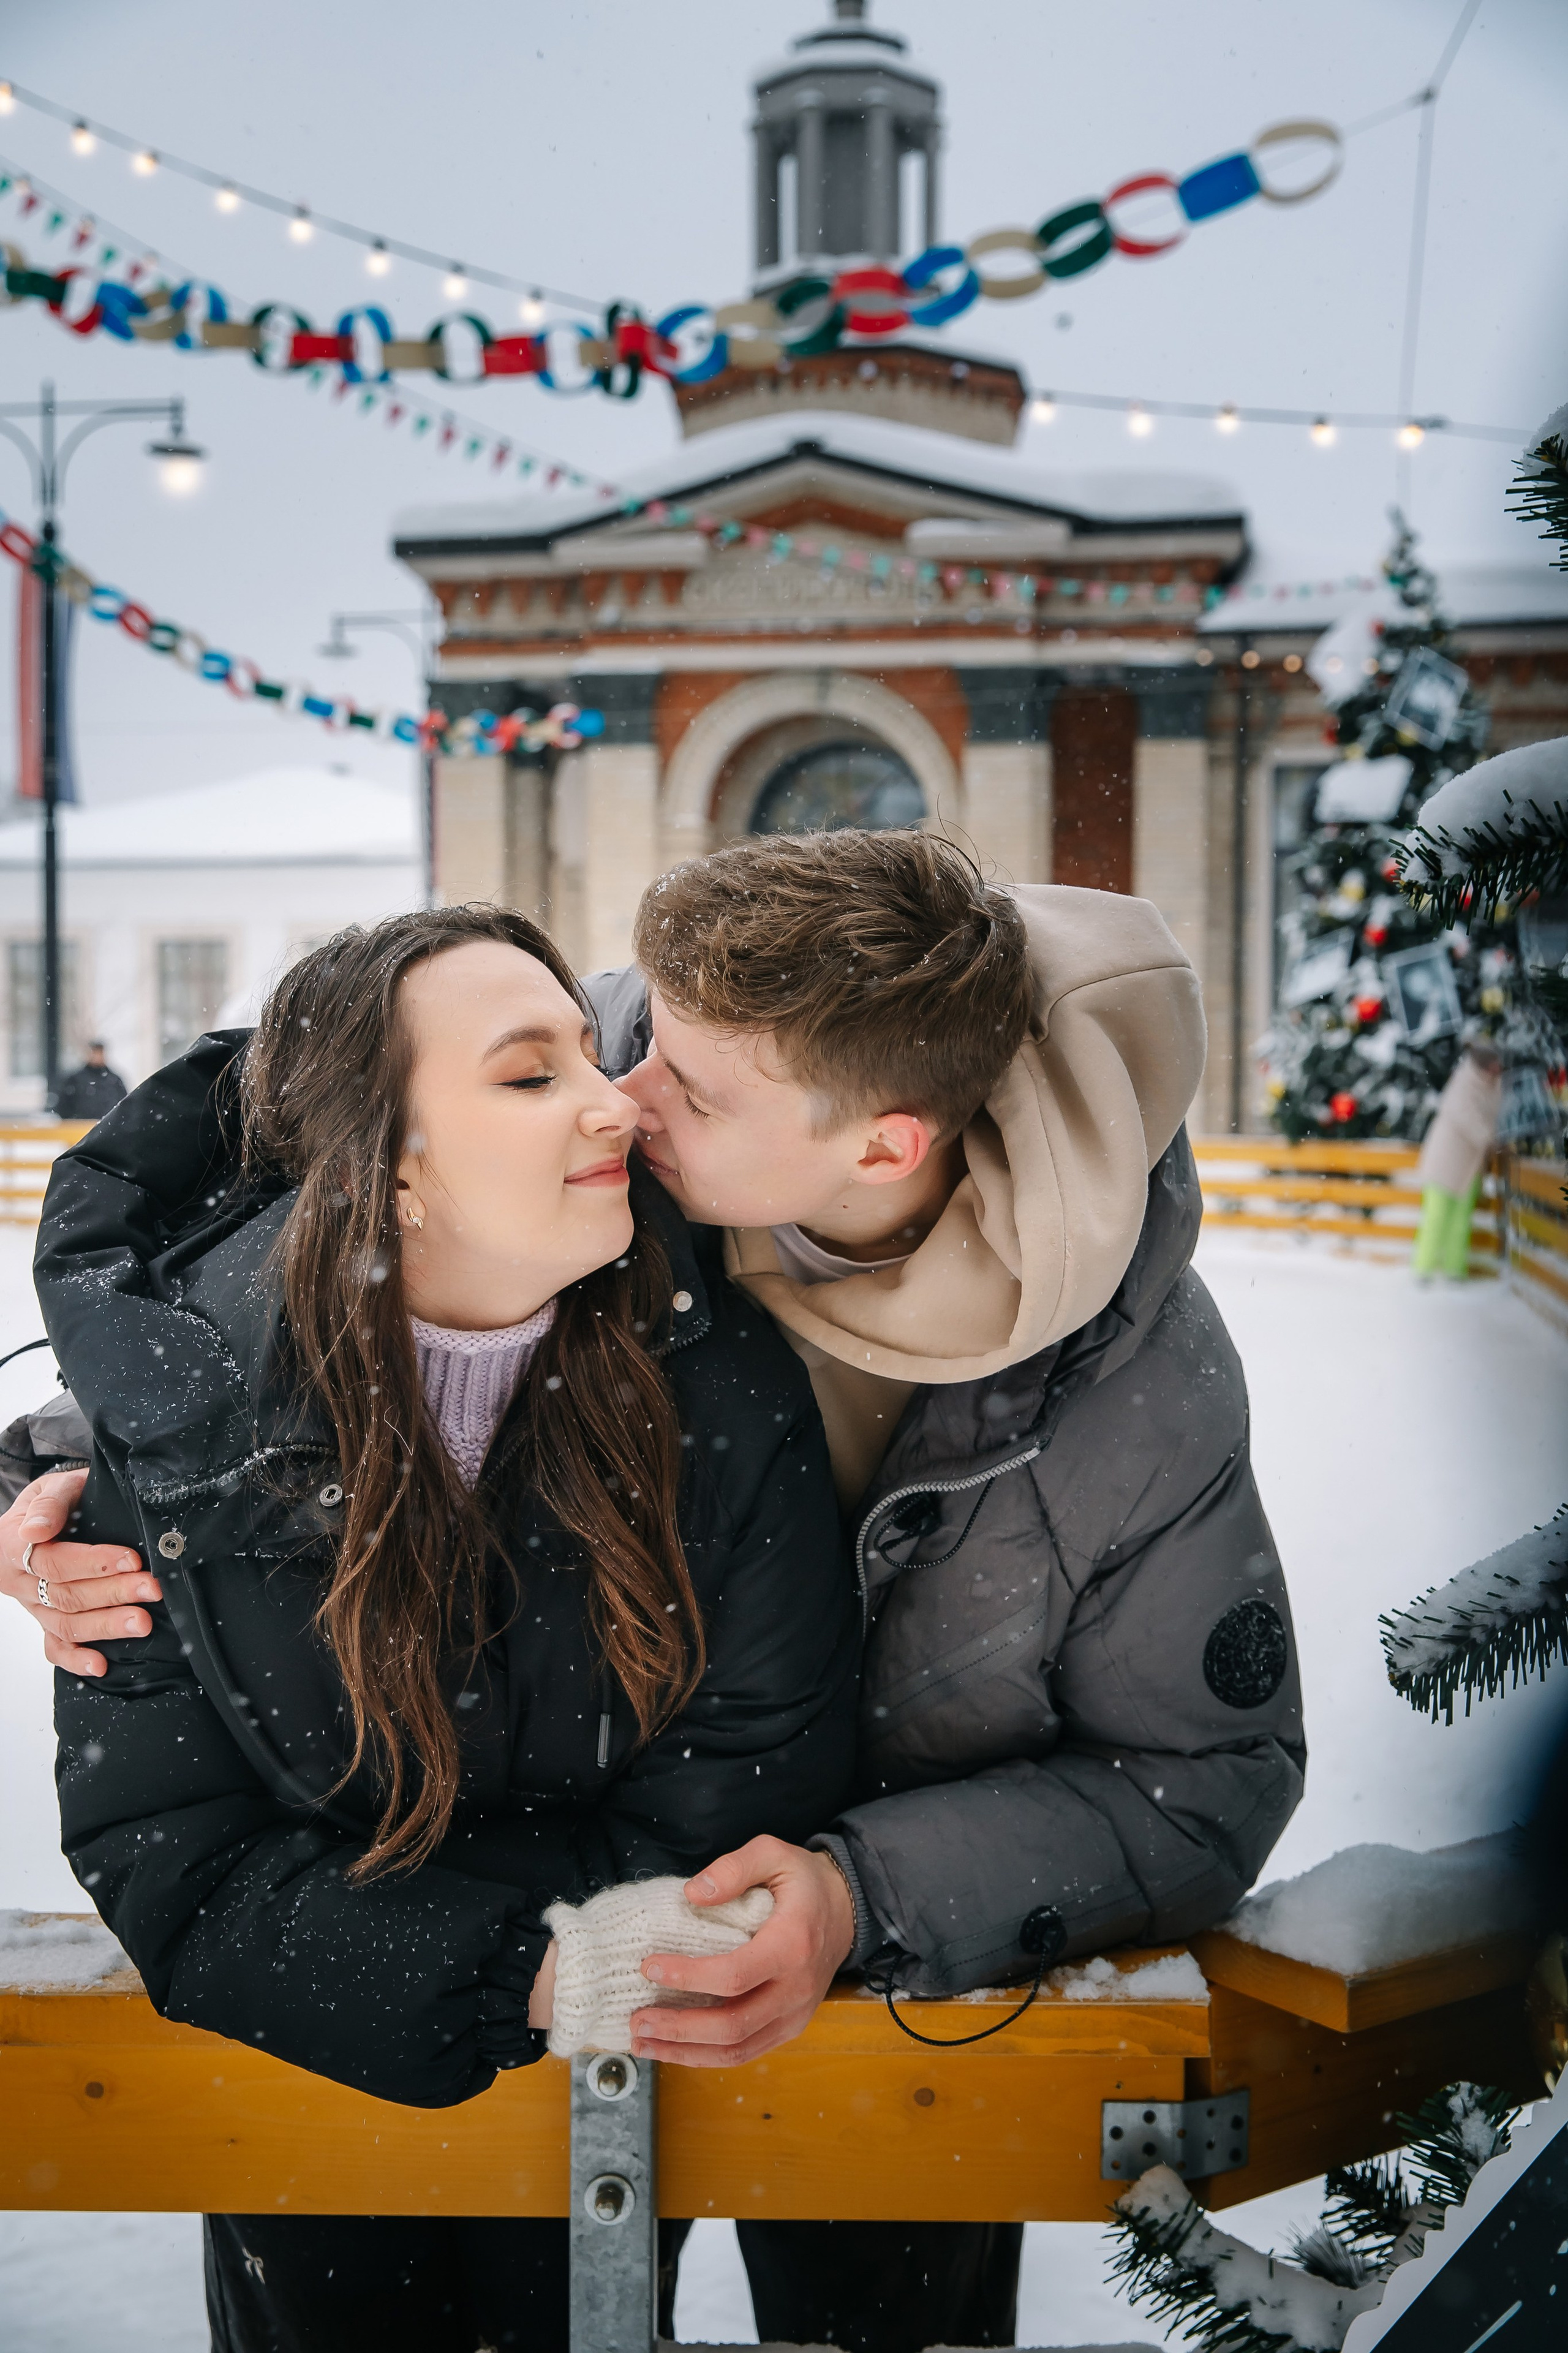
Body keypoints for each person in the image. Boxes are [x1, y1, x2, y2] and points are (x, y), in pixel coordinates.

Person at [5, 832, 1303, 2353]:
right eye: (612, 1048)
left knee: (887, 2284)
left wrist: (854, 1891)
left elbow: (1196, 1781)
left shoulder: (1114, 1387)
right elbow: (318, 1165)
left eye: (672, 1081)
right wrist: (83, 1460)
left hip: (902, 1908)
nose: (622, 1090)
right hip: (563, 1921)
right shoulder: (654, 1059)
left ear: (881, 1146)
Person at [26, 904, 859, 2353]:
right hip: (301, 2134)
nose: (617, 1099)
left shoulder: (714, 1385)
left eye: (587, 1057)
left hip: (611, 2130)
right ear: (388, 1167)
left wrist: (515, 1939)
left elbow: (746, 1781)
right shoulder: (177, 1426)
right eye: (530, 1074)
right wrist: (522, 1962)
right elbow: (172, 1857)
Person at [1412, 1035, 1504, 1281]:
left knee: (1460, 1221)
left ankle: (1455, 1270)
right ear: (1485, 1063)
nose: (1498, 1067)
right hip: (1444, 1163)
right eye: (1494, 1062)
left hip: (1469, 1166)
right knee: (1436, 1217)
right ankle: (1423, 1269)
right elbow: (1467, 1118)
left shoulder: (1495, 1084)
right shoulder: (1464, 1081)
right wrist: (1493, 1138)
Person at [51, 1038, 126, 1122]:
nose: (97, 1057)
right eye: (95, 1053)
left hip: (108, 1129)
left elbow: (124, 1107)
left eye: (100, 1053)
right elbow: (63, 1107)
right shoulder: (75, 1080)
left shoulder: (115, 1081)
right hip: (80, 1131)